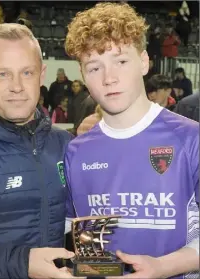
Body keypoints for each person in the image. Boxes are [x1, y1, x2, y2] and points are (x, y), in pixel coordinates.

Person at [64, 3, 199, 279]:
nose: (109, 78)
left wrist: (162, 267)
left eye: (121, 61)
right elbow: (74, 234)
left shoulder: (191, 139)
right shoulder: (76, 152)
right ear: (82, 75)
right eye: (94, 68)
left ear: (144, 62)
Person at [0, 23, 75, 279]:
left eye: (27, 72)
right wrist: (23, 262)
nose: (17, 86)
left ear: (41, 74)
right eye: (3, 74)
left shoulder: (65, 144)